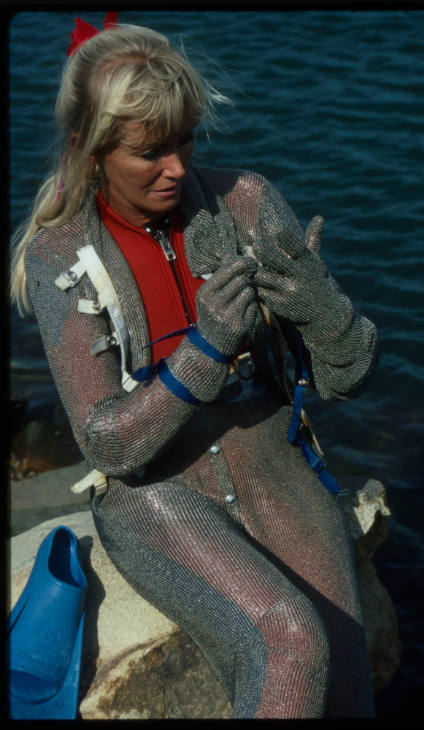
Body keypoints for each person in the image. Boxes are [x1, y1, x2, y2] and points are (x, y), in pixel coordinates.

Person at [11, 17, 379, 719]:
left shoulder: (247, 201)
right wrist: (204, 350)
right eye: (150, 152)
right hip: (152, 494)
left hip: (272, 456)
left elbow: (348, 378)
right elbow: (106, 444)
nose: (177, 168)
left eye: (183, 141)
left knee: (347, 684)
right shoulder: (60, 254)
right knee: (290, 638)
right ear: (92, 150)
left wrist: (322, 307)